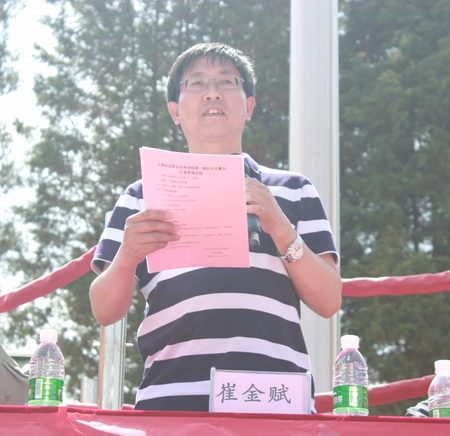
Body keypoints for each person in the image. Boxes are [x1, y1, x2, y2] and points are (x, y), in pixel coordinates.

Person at [89, 42, 342, 412]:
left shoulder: (293, 190)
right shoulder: (140, 196)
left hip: (274, 403)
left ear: (248, 107)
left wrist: (280, 226)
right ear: (175, 111)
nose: (212, 93)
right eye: (196, 83)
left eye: (227, 81)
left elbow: (329, 300)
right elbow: (104, 311)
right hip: (171, 402)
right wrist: (126, 257)